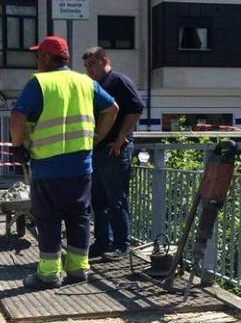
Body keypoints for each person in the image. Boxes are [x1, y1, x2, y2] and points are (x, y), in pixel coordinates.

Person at [9, 36, 119, 290]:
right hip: (81, 166)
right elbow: (112, 109)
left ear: (47, 58)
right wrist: (97, 138)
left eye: (39, 56)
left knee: (48, 218)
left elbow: (17, 119)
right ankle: (78, 269)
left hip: (48, 167)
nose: (37, 61)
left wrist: (17, 147)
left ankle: (49, 274)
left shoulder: (40, 83)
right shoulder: (85, 82)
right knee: (79, 216)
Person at [82, 46, 145, 261]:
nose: (89, 69)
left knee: (115, 199)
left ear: (104, 60)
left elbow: (136, 108)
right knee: (98, 199)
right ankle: (102, 242)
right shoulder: (96, 85)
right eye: (86, 66)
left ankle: (121, 244)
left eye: (92, 64)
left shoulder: (118, 81)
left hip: (114, 148)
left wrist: (121, 138)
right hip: (99, 148)